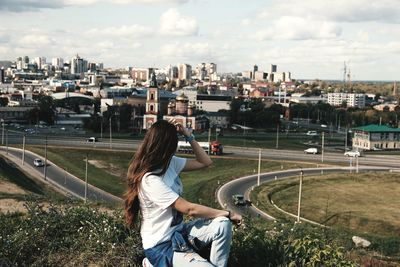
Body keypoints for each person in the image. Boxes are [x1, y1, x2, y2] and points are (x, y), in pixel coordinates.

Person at [125, 119, 242, 267]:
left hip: (180, 234)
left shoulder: (170, 163)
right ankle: (152, 263)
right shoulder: (150, 180)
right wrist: (229, 213)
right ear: (167, 146)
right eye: (175, 142)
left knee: (222, 225)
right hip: (161, 246)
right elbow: (189, 209)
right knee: (225, 217)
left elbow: (205, 162)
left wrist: (188, 135)